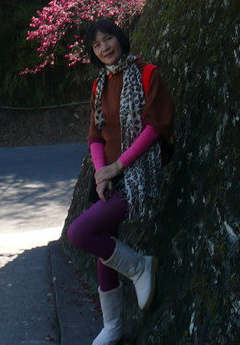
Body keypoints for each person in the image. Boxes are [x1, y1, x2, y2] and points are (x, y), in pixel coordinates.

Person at [67, 18, 174, 345]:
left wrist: (118, 167)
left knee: (79, 232)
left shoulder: (147, 73)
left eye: (108, 39)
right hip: (110, 175)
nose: (104, 48)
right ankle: (112, 326)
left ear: (120, 38)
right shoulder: (99, 86)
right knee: (102, 237)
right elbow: (95, 135)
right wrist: (101, 174)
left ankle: (139, 266)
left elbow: (155, 127)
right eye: (96, 45)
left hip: (139, 172)